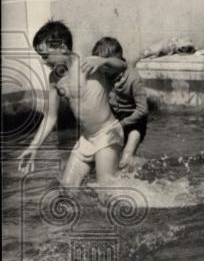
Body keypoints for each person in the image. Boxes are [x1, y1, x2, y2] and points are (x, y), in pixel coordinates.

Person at [18, 20, 127, 186]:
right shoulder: (54, 79)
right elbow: (50, 117)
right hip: (86, 139)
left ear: (62, 47)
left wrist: (104, 61)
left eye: (45, 55)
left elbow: (122, 65)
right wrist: (33, 147)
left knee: (106, 186)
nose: (43, 61)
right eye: (41, 57)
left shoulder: (88, 64)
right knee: (66, 188)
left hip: (108, 133)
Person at [92, 37, 148, 169]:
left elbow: (143, 110)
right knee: (109, 159)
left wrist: (121, 125)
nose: (102, 70)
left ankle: (149, 166)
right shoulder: (107, 75)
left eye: (105, 65)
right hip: (117, 119)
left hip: (136, 122)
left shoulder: (134, 78)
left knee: (126, 159)